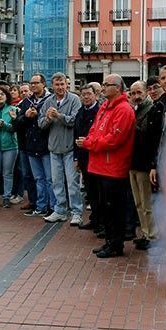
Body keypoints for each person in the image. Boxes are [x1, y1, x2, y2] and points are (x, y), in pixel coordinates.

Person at [77, 74, 136, 259]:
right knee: (106, 207)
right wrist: (91, 140)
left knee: (114, 208)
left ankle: (116, 244)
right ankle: (110, 241)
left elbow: (114, 140)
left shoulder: (124, 110)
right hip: (100, 165)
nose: (103, 87)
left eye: (106, 84)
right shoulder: (105, 106)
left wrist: (89, 143)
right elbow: (95, 129)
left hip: (113, 167)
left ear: (117, 88)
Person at [39, 72, 82, 224]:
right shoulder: (48, 101)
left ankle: (77, 212)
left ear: (66, 84)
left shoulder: (75, 100)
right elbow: (41, 124)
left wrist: (59, 116)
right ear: (52, 85)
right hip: (54, 148)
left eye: (62, 84)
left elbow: (75, 121)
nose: (60, 87)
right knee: (56, 182)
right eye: (57, 84)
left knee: (72, 182)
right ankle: (60, 210)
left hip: (70, 147)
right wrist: (48, 118)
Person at [16, 74, 55, 217]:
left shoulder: (50, 100)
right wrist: (26, 116)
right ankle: (40, 206)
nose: (33, 86)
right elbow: (18, 122)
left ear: (43, 84)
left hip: (46, 145)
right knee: (38, 178)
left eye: (36, 83)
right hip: (30, 145)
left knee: (50, 178)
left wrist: (39, 115)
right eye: (31, 83)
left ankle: (52, 207)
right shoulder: (26, 101)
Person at [128, 81, 155, 250]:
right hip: (133, 162)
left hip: (144, 163)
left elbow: (148, 135)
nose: (136, 96)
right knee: (138, 202)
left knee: (147, 203)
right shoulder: (135, 109)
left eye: (139, 92)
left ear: (145, 92)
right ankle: (145, 233)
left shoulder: (151, 109)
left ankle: (152, 236)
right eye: (133, 93)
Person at [74, 84, 101, 230]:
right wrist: (76, 158)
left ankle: (100, 220)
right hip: (83, 156)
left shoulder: (99, 111)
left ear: (95, 95)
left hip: (95, 155)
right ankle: (94, 219)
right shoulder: (80, 112)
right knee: (90, 190)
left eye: (89, 94)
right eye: (83, 94)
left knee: (98, 190)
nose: (86, 97)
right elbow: (75, 134)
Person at [14, 82, 37, 211]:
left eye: (26, 91)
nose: (24, 93)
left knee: (38, 175)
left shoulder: (36, 102)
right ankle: (32, 200)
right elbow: (17, 124)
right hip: (23, 144)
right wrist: (25, 116)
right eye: (21, 91)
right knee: (26, 174)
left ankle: (40, 202)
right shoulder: (21, 105)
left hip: (36, 145)